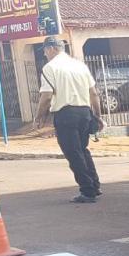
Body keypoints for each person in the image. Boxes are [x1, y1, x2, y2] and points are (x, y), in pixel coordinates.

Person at [34, 36, 104, 203]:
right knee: (83, 149)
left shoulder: (50, 68)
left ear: (51, 49)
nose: (45, 54)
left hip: (65, 115)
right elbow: (94, 93)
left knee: (73, 153)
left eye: (45, 51)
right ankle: (94, 185)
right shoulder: (80, 65)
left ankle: (87, 191)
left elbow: (46, 96)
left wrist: (39, 117)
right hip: (84, 113)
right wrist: (98, 116)